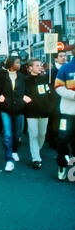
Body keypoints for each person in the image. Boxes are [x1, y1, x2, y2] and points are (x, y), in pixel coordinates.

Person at [0, 55, 31, 171]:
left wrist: (25, 100)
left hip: (19, 109)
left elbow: (27, 91)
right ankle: (9, 158)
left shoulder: (22, 77)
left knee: (16, 134)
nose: (19, 65)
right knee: (7, 134)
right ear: (11, 64)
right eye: (17, 63)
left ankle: (15, 150)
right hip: (5, 109)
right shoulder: (1, 76)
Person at [24, 58, 53, 169]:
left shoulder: (44, 79)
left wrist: (50, 106)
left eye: (40, 65)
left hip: (44, 111)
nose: (40, 67)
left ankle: (37, 151)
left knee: (42, 134)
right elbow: (22, 93)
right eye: (37, 65)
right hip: (31, 112)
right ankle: (36, 158)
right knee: (33, 134)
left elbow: (49, 94)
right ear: (30, 68)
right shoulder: (25, 80)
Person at [54, 43, 75, 181]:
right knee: (62, 141)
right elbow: (58, 87)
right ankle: (62, 165)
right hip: (67, 113)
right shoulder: (65, 68)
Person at [45, 51, 67, 149]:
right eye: (61, 56)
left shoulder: (67, 69)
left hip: (66, 100)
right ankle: (53, 140)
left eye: (64, 56)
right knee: (54, 122)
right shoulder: (51, 72)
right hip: (55, 101)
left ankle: (63, 139)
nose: (63, 58)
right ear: (55, 59)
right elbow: (48, 87)